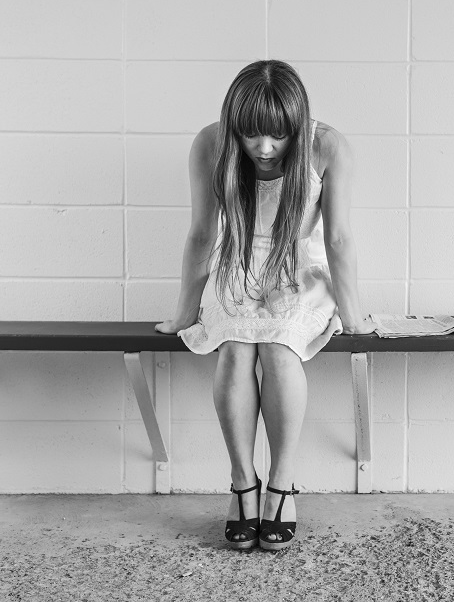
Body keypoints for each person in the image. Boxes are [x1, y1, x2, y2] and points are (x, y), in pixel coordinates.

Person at [155, 60, 376, 551]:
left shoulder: (328, 147)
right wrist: (184, 313)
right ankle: (242, 483)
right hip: (236, 265)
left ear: (298, 125)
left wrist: (354, 313)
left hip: (302, 271)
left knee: (279, 348)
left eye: (278, 136)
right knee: (235, 347)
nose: (265, 148)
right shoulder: (211, 144)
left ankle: (282, 483)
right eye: (252, 135)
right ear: (235, 125)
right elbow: (200, 234)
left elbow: (338, 239)